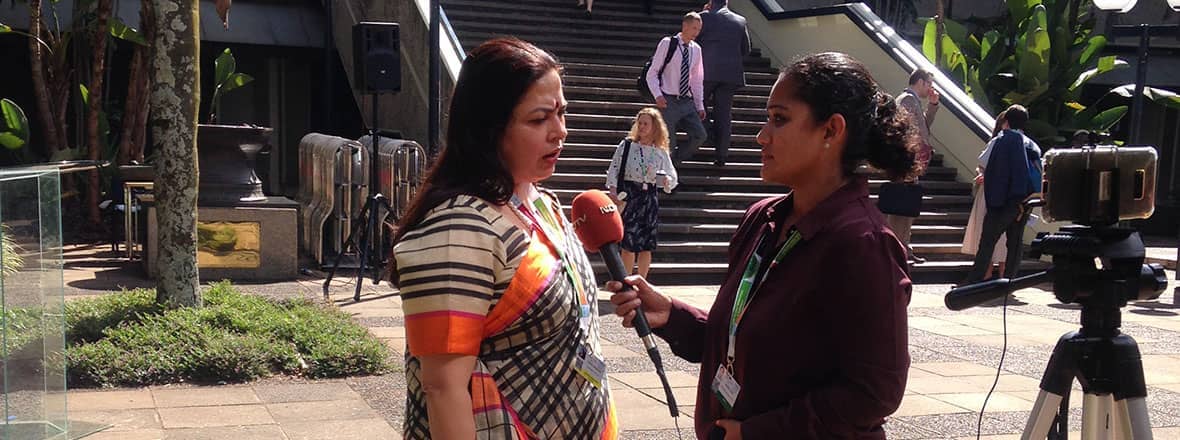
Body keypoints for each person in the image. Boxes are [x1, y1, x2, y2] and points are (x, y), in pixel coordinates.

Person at [608, 52, 915, 439]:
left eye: (780, 119)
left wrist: (759, 432)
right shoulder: (763, 217)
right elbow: (745, 340)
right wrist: (673, 316)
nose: (761, 135)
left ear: (830, 132)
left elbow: (873, 394)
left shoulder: (863, 244)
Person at [390, 38, 618, 439]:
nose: (560, 132)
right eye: (539, 119)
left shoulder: (542, 202)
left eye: (562, 113)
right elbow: (442, 387)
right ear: (489, 129)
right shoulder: (456, 229)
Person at [961, 104, 1041, 284]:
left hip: (1001, 201)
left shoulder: (1001, 139)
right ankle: (1010, 280)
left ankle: (975, 279)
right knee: (1014, 242)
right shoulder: (1031, 144)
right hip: (1023, 202)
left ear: (1006, 120)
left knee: (988, 240)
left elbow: (984, 162)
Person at [605, 107, 679, 278]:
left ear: (655, 127)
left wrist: (667, 181)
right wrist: (613, 190)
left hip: (649, 198)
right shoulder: (627, 145)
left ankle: (642, 282)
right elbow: (614, 168)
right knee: (628, 242)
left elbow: (671, 175)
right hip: (630, 195)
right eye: (640, 123)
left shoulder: (660, 151)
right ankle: (626, 280)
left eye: (646, 123)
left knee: (646, 244)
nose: (642, 126)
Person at [882, 69, 940, 264]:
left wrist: (933, 106)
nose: (930, 87)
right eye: (929, 83)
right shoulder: (907, 99)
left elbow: (924, 127)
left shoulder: (911, 100)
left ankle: (902, 248)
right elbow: (904, 131)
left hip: (909, 163)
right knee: (901, 211)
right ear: (921, 82)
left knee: (905, 210)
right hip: (906, 162)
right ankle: (896, 249)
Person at [646, 12, 707, 167]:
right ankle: (669, 175)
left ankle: (673, 163)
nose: (696, 33)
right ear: (684, 26)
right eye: (694, 28)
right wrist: (658, 95)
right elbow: (652, 72)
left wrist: (700, 105)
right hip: (669, 99)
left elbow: (697, 80)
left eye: (699, 29)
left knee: (700, 135)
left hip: (687, 101)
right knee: (669, 142)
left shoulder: (697, 49)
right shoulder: (668, 43)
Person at [698, 0, 750, 167]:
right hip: (730, 74)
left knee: (697, 105)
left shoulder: (702, 18)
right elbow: (746, 50)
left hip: (705, 72)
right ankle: (722, 155)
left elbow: (691, 42)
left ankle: (708, 133)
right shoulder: (740, 20)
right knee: (724, 114)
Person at [961, 111, 1009, 279]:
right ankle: (988, 273)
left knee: (997, 235)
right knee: (987, 232)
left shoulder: (1002, 142)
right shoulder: (996, 142)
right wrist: (980, 173)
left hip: (996, 193)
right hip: (991, 192)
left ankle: (996, 274)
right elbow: (981, 165)